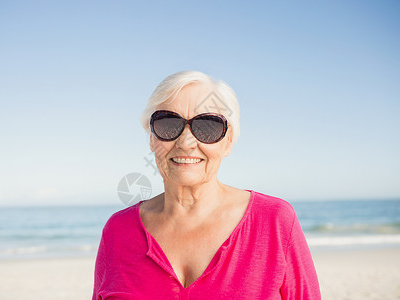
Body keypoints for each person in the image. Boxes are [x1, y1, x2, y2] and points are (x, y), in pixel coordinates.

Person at [92, 71, 321, 299]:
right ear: (152, 138)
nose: (186, 142)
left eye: (208, 126)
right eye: (168, 123)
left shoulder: (275, 222)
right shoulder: (117, 232)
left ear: (228, 141)